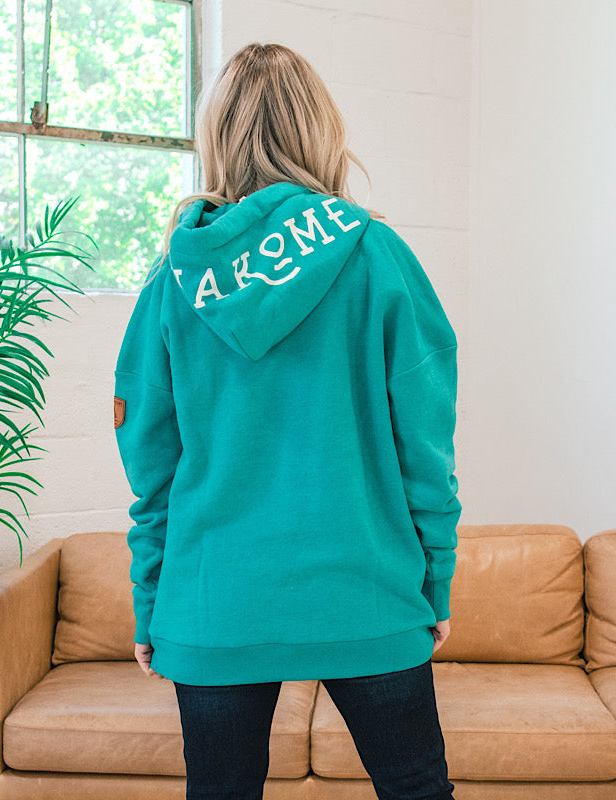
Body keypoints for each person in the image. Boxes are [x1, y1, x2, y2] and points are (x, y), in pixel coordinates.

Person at [114, 41, 460, 800]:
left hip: (215, 600)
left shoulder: (173, 280)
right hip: (367, 591)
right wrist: (434, 579)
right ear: (319, 128)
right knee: (416, 788)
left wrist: (151, 598)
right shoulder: (376, 255)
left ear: (216, 136)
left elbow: (151, 465)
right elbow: (426, 445)